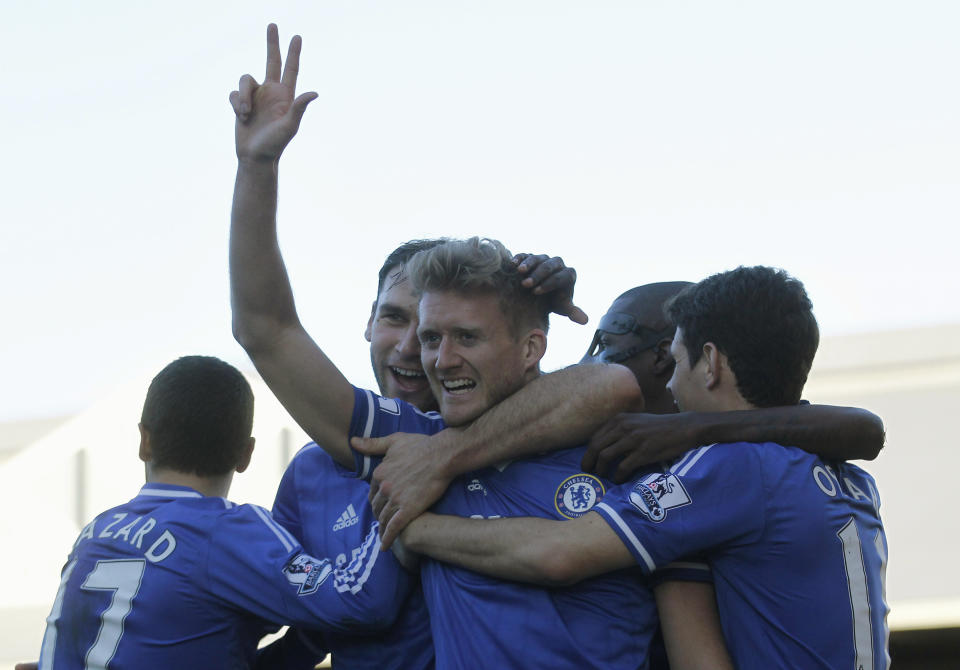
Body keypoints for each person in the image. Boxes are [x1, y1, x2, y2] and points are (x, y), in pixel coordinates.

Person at [229, 25, 732, 669]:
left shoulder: (615, 443)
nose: (435, 358)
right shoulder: (402, 442)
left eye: (465, 337)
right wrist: (257, 167)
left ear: (532, 349)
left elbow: (615, 387)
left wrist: (439, 471)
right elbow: (267, 331)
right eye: (431, 337)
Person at [397, 266, 890, 669]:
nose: (671, 384)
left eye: (675, 362)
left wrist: (412, 530)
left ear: (710, 363)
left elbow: (558, 553)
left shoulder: (728, 466)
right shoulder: (847, 474)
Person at [266, 239, 581, 669]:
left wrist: (445, 458)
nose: (417, 347)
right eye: (396, 318)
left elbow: (611, 386)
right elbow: (304, 624)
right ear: (369, 322)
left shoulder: (533, 429)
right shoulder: (313, 467)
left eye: (460, 334)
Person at [34, 356, 410, 670]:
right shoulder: (226, 533)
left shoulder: (96, 531)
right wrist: (403, 489)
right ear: (245, 455)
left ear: (144, 441)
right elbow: (362, 602)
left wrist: (311, 640)